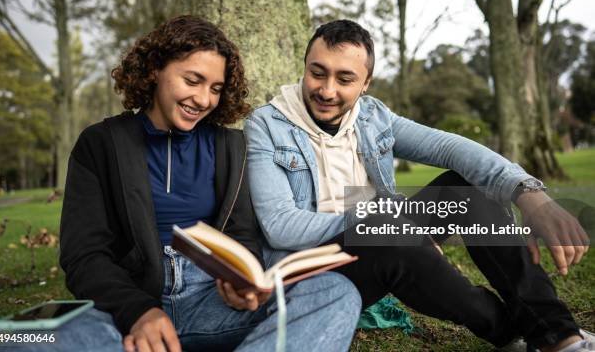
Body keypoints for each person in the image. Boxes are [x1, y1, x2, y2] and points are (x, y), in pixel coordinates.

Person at [245, 19, 593, 352]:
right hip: (316, 265)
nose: (326, 90)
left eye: (345, 78)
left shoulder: (372, 116)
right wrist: (380, 217)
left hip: (387, 230)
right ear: (305, 67)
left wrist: (529, 194)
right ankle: (510, 330)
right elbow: (280, 226)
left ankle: (558, 333)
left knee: (462, 189)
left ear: (365, 84)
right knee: (384, 229)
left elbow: (451, 148)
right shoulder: (267, 124)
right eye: (317, 73)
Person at [34, 16, 362, 352]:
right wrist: (138, 312)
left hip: (212, 305)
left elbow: (242, 235)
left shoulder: (233, 147)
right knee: (29, 338)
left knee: (334, 292)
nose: (204, 99)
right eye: (193, 81)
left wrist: (241, 284)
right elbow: (83, 254)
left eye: (215, 88)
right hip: (128, 307)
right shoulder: (100, 143)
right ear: (155, 70)